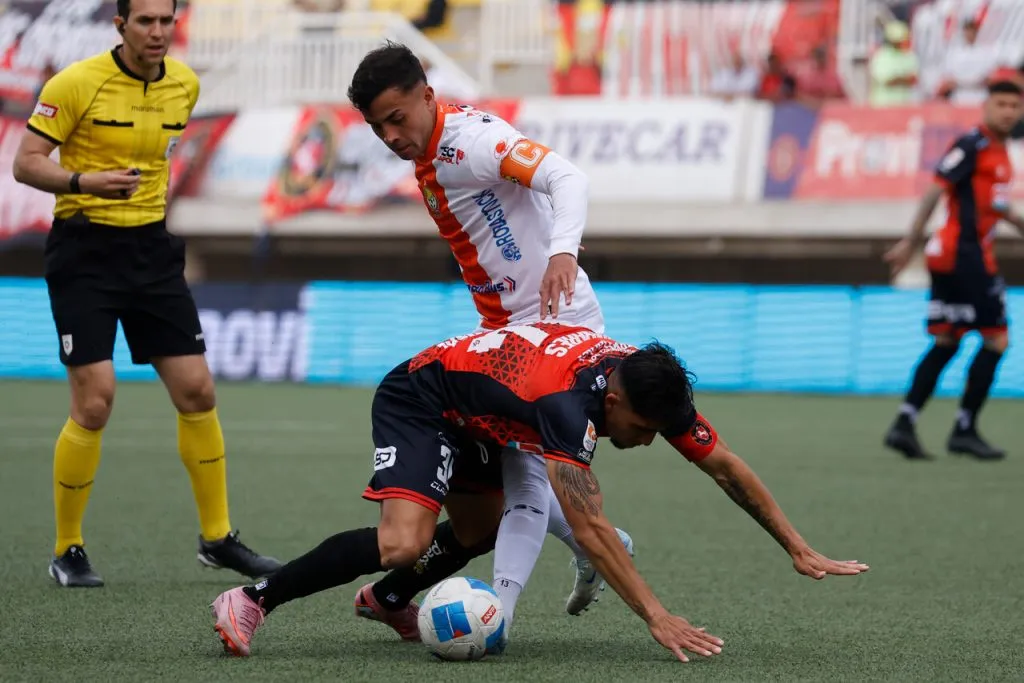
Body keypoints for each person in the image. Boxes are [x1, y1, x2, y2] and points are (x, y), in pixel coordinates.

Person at [209, 323, 870, 659]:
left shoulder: (644, 385)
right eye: (640, 430)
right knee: (402, 543)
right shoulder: (566, 408)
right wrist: (656, 615)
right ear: (613, 399)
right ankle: (250, 598)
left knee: (479, 529)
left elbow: (723, 464)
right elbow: (590, 527)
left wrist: (797, 546)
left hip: (484, 415)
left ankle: (386, 603)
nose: (646, 442)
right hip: (423, 398)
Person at [343, 40, 630, 637]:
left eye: (398, 118)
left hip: (555, 324)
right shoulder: (433, 150)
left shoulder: (466, 143)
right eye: (378, 127)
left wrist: (562, 254)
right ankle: (593, 543)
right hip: (508, 328)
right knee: (517, 474)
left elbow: (566, 177)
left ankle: (495, 617)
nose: (391, 135)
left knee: (522, 478)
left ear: (427, 94)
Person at [11, 0, 280, 587]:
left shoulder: (184, 84)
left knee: (197, 390)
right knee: (96, 400)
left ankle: (217, 538)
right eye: (145, 21)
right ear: (120, 25)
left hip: (151, 253)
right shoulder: (76, 83)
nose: (158, 31)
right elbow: (26, 164)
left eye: (166, 20)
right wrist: (84, 182)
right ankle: (68, 549)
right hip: (85, 253)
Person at [882, 77, 1024, 461]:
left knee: (948, 340)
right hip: (965, 256)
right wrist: (910, 241)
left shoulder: (999, 152)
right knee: (996, 340)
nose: (1009, 112)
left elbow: (996, 207)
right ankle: (964, 428)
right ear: (987, 107)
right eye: (1002, 104)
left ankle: (904, 423)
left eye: (1015, 105)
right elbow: (935, 188)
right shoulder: (973, 145)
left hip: (955, 256)